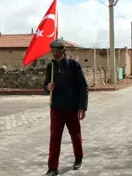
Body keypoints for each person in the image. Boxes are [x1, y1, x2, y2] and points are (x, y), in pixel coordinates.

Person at [44, 39, 88, 176]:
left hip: (72, 108)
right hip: (56, 108)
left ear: (63, 51)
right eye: (52, 51)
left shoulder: (73, 65)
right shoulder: (50, 66)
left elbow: (83, 86)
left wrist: (82, 107)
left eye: (57, 51)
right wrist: (47, 87)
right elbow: (45, 85)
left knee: (75, 135)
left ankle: (78, 158)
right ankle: (52, 168)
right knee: (54, 137)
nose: (54, 53)